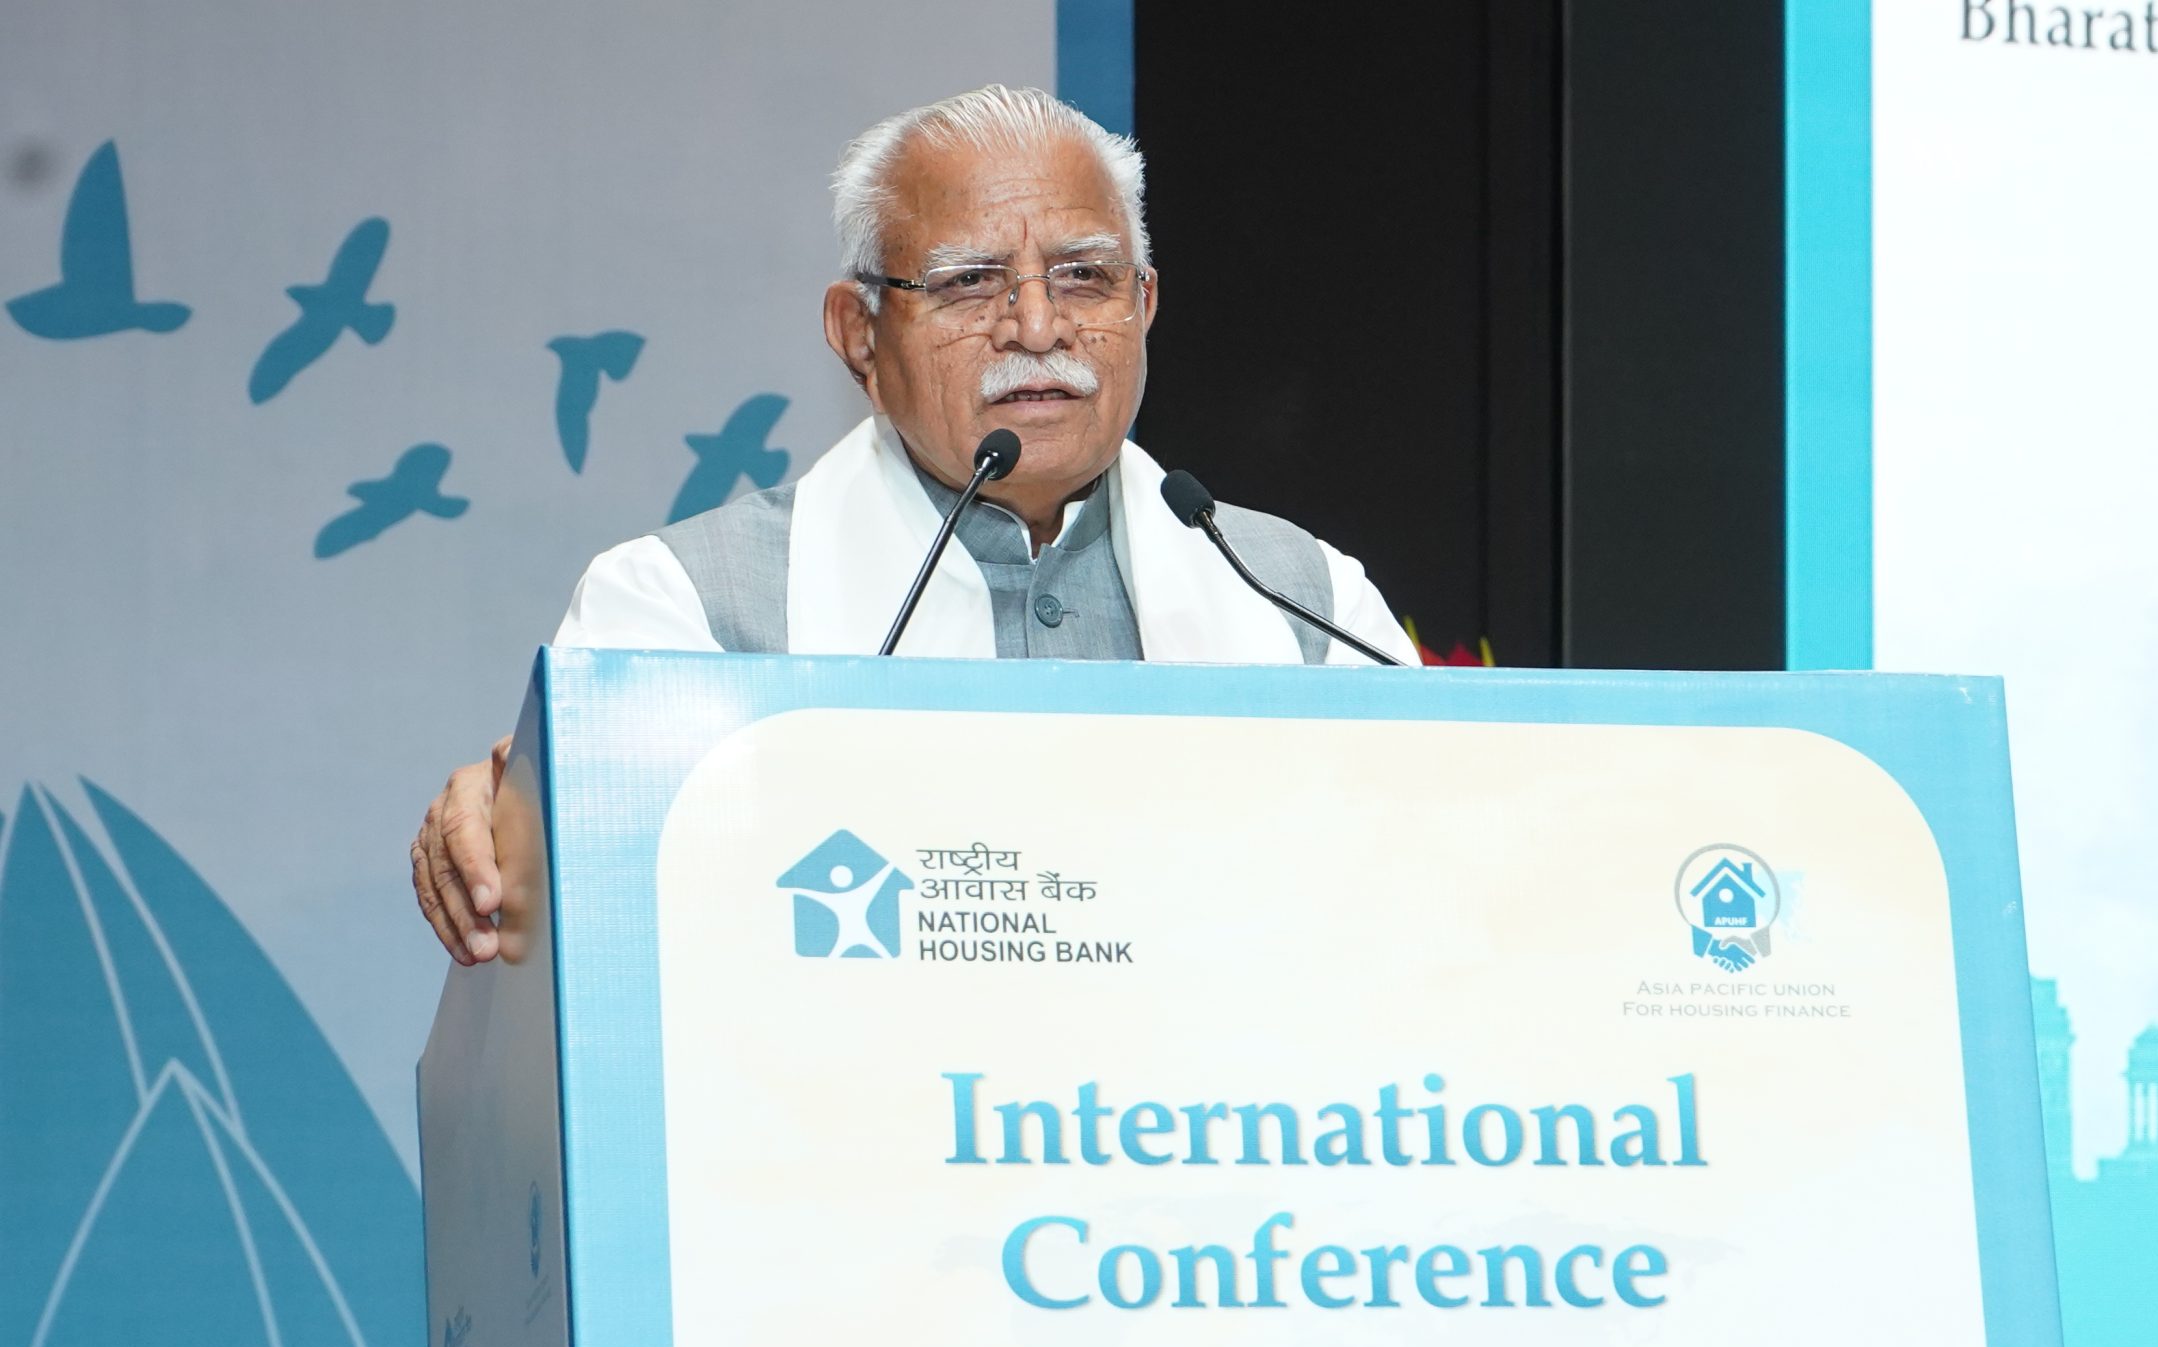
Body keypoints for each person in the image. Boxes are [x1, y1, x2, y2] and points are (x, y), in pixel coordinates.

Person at [410, 84, 1417, 967]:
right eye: (968, 281)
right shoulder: (686, 610)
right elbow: (612, 919)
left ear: (1143, 304)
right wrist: (536, 809)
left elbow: (1429, 897)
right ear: (859, 334)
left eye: (1084, 276)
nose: (1037, 327)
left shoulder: (1300, 601)